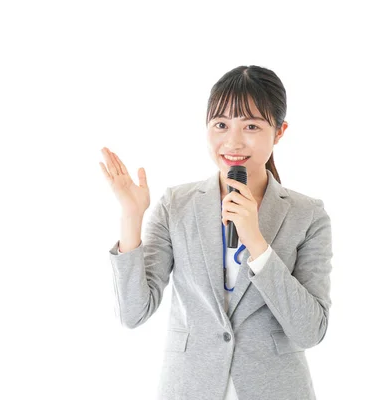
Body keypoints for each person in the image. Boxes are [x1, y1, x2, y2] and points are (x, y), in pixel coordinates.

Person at [99, 65, 333, 400]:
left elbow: (311, 331)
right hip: (188, 389)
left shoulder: (307, 215)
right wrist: (131, 217)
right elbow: (133, 313)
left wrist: (256, 242)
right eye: (221, 124)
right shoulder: (175, 204)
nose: (233, 141)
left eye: (251, 126)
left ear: (279, 132)